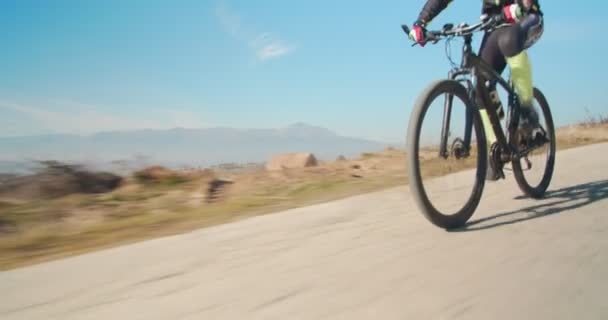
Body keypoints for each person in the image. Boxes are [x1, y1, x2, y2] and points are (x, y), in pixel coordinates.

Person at [408, 0, 545, 180]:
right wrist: (421, 22)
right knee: (480, 84)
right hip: (494, 26)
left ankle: (528, 113)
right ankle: (496, 148)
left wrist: (521, 7)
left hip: (527, 18)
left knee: (510, 40)